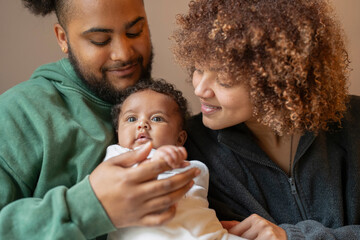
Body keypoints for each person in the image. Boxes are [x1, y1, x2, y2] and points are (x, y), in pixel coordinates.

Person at [0, 0, 199, 239]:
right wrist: (90, 207)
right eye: (100, 40)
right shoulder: (18, 112)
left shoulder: (160, 105)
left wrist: (203, 224)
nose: (124, 54)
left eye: (135, 31)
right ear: (63, 38)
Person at [172, 0, 360, 239]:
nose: (199, 89)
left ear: (277, 81)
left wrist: (291, 236)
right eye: (198, 69)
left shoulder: (354, 123)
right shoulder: (191, 148)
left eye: (225, 80)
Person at [103, 79, 245, 240]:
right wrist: (157, 162)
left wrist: (172, 161)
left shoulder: (192, 166)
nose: (142, 124)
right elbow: (114, 190)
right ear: (117, 132)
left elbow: (197, 184)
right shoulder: (117, 155)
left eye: (157, 119)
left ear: (180, 139)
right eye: (131, 119)